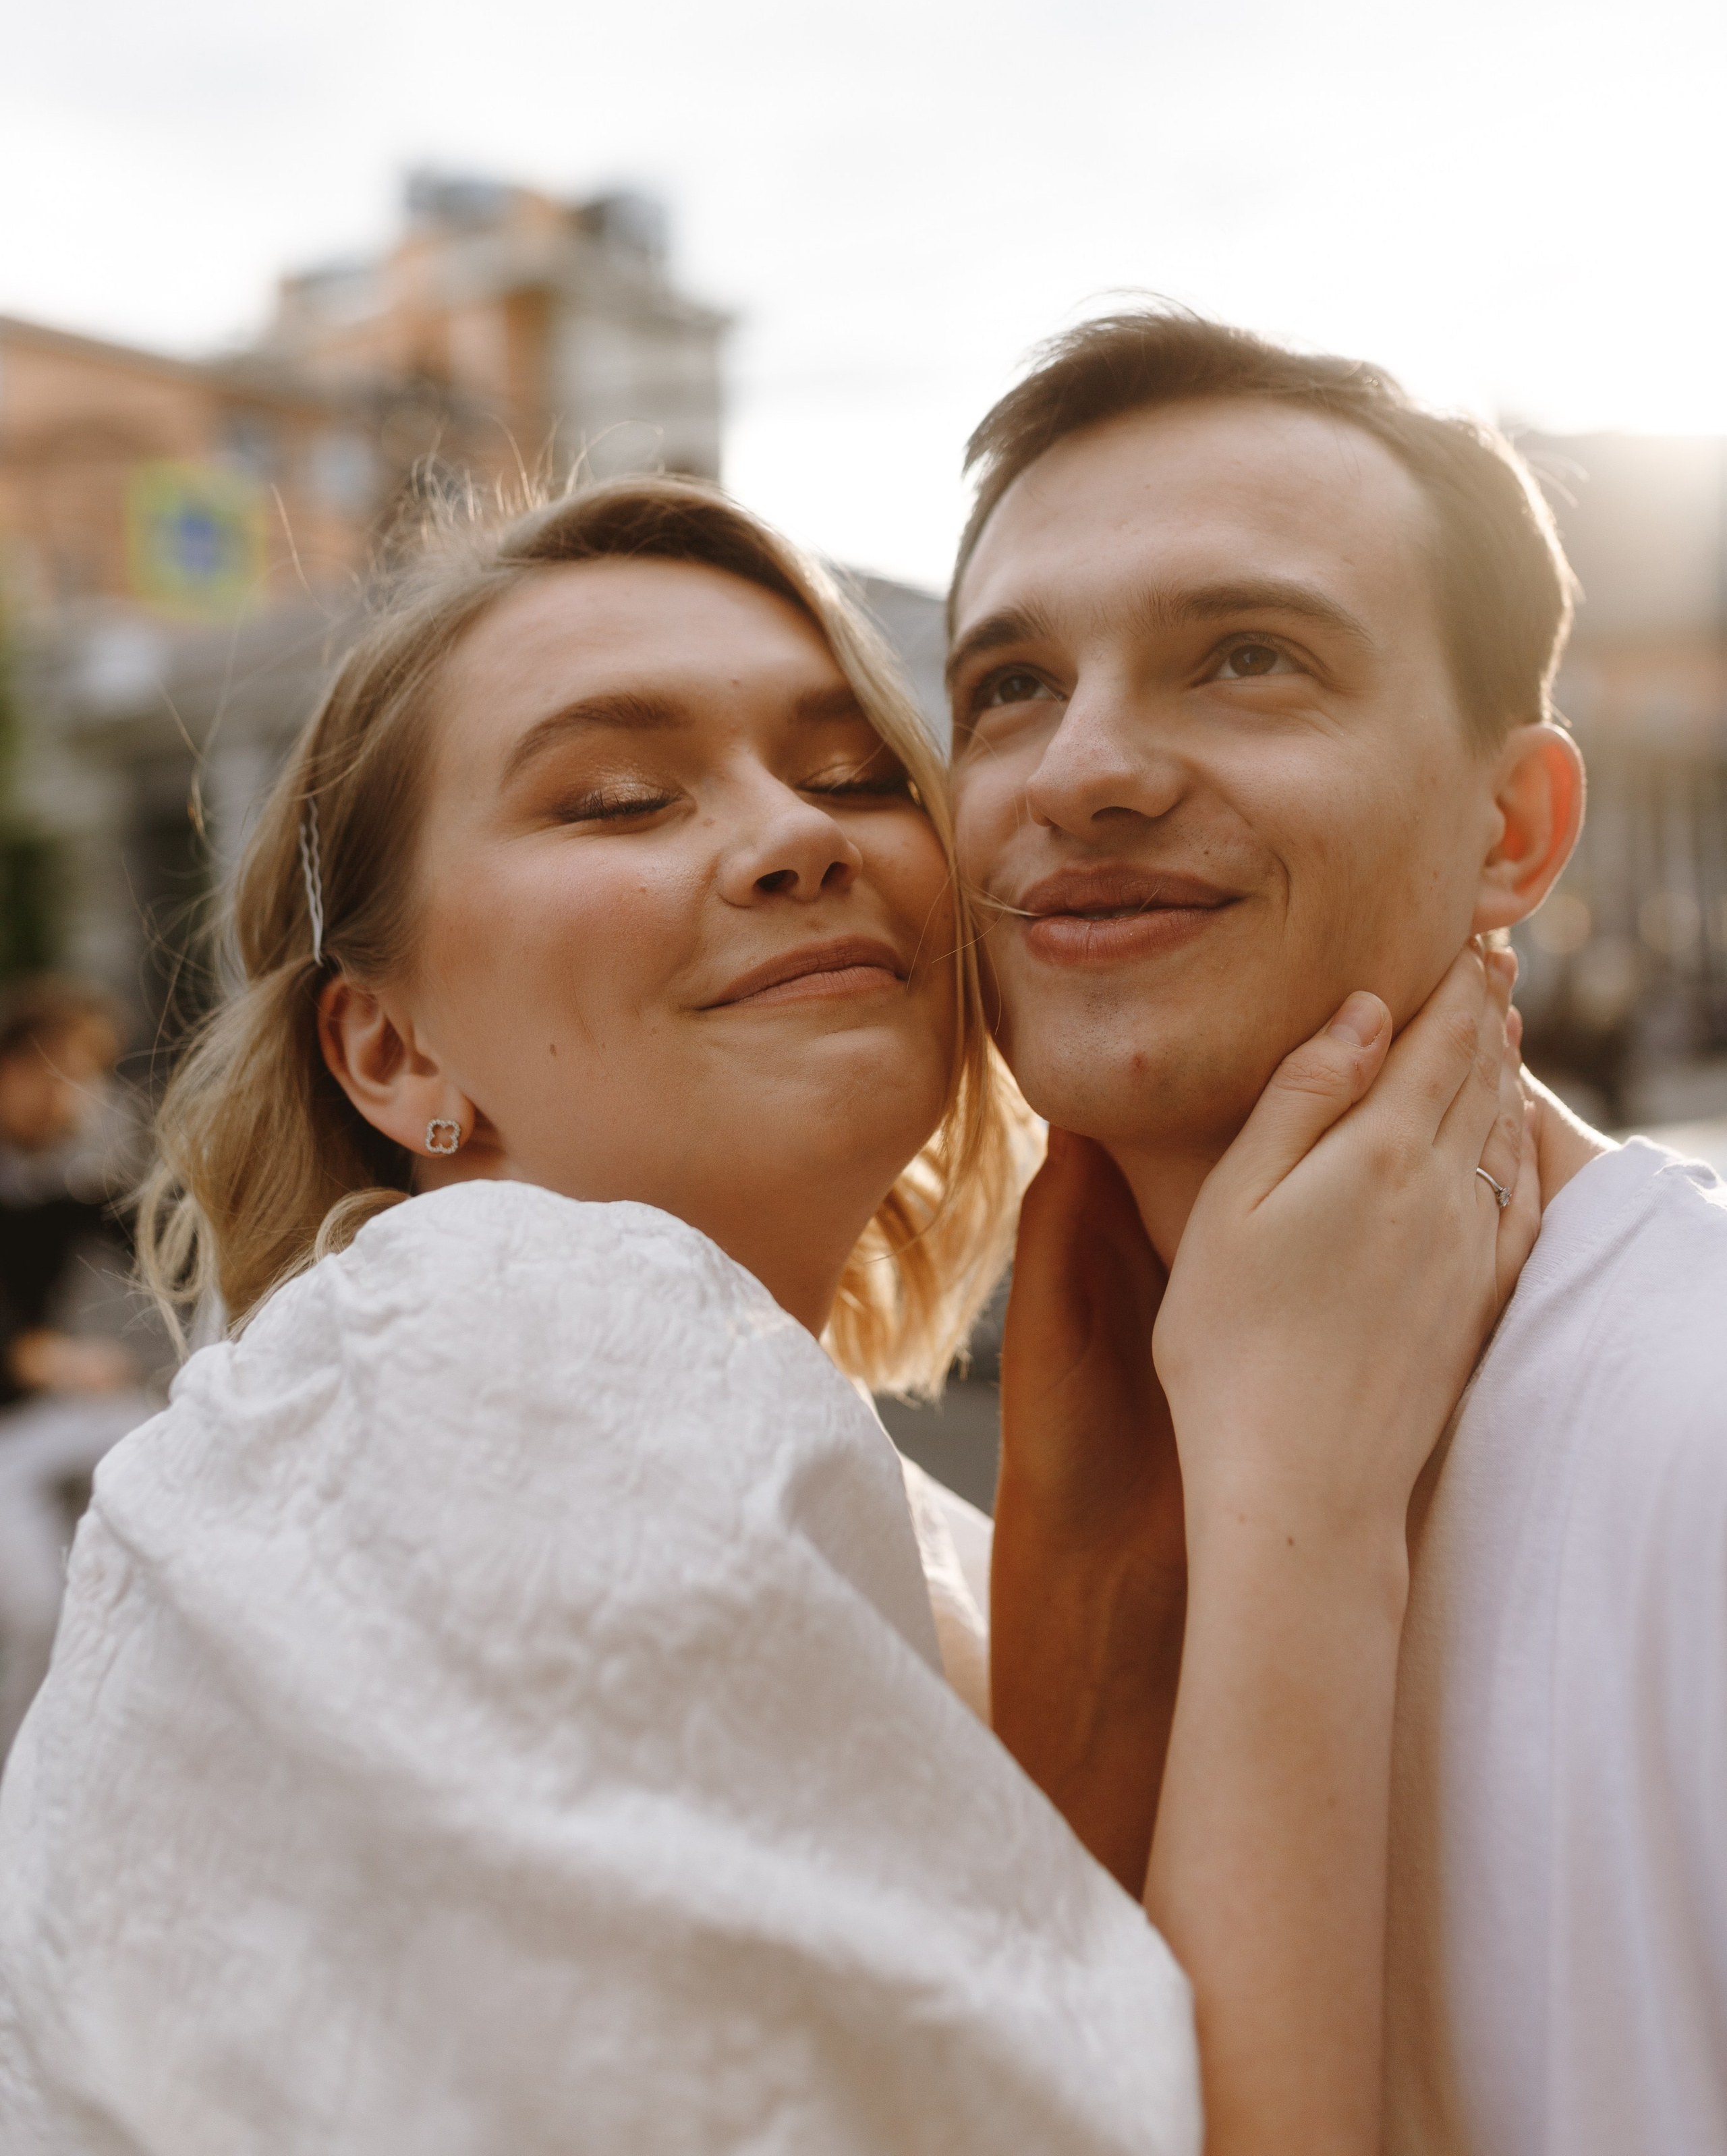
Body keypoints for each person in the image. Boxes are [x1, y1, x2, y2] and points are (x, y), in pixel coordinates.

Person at [0, 478, 1525, 2156]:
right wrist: (1297, 1474)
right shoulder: (487, 1335)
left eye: (856, 773)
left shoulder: (821, 1478)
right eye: (620, 797)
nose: (797, 837)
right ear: (392, 1054)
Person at [946, 308, 1727, 2156]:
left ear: (1513, 832)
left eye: (1246, 657)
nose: (1088, 769)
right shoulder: (1065, 1495)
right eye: (1009, 687)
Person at [0, 977, 154, 1757]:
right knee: (34, 1610)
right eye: (77, 1070)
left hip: (34, 1417)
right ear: (18, 1071)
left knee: (158, 1439)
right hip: (11, 1422)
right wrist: (47, 1357)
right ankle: (25, 1772)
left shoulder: (56, 1173)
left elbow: (156, 1243)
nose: (88, 1093)